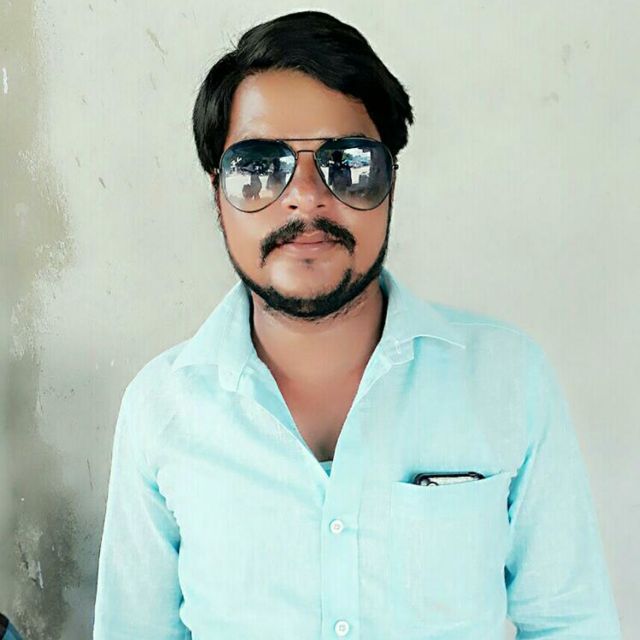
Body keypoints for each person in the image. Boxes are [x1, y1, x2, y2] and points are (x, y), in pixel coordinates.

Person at [93, 10, 622, 640]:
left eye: (348, 162)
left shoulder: (507, 379)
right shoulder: (162, 409)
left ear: (391, 181)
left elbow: (572, 625)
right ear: (217, 193)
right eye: (260, 166)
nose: (306, 196)